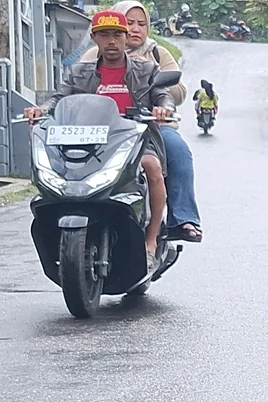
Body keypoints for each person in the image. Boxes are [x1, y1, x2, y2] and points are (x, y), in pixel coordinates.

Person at [25, 9, 174, 273]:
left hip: (134, 135)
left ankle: (150, 242)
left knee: (152, 167)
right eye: (105, 35)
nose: (112, 41)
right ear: (95, 38)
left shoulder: (146, 69)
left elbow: (163, 95)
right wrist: (41, 109)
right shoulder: (79, 71)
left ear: (127, 38)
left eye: (117, 35)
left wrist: (164, 109)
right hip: (91, 140)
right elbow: (59, 99)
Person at [80, 0, 202, 244]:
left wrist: (161, 105)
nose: (135, 29)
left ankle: (182, 218)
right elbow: (71, 90)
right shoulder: (93, 58)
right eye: (130, 23)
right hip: (101, 129)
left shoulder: (156, 56)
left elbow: (176, 91)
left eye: (141, 24)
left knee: (176, 150)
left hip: (149, 127)